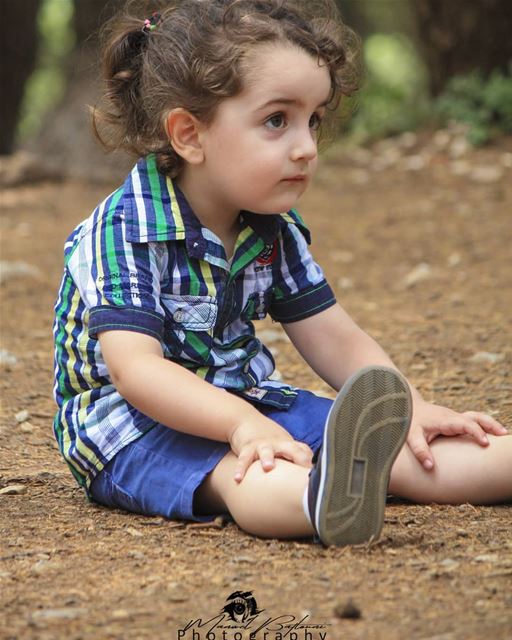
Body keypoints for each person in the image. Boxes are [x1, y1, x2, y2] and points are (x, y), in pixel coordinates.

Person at [52, 0, 511, 547]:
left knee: (411, 451)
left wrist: (405, 408)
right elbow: (137, 373)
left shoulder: (271, 225)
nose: (307, 148)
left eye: (313, 120)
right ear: (189, 135)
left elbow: (334, 335)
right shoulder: (123, 232)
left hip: (248, 400)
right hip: (133, 426)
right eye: (277, 120)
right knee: (246, 473)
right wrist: (241, 427)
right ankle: (322, 501)